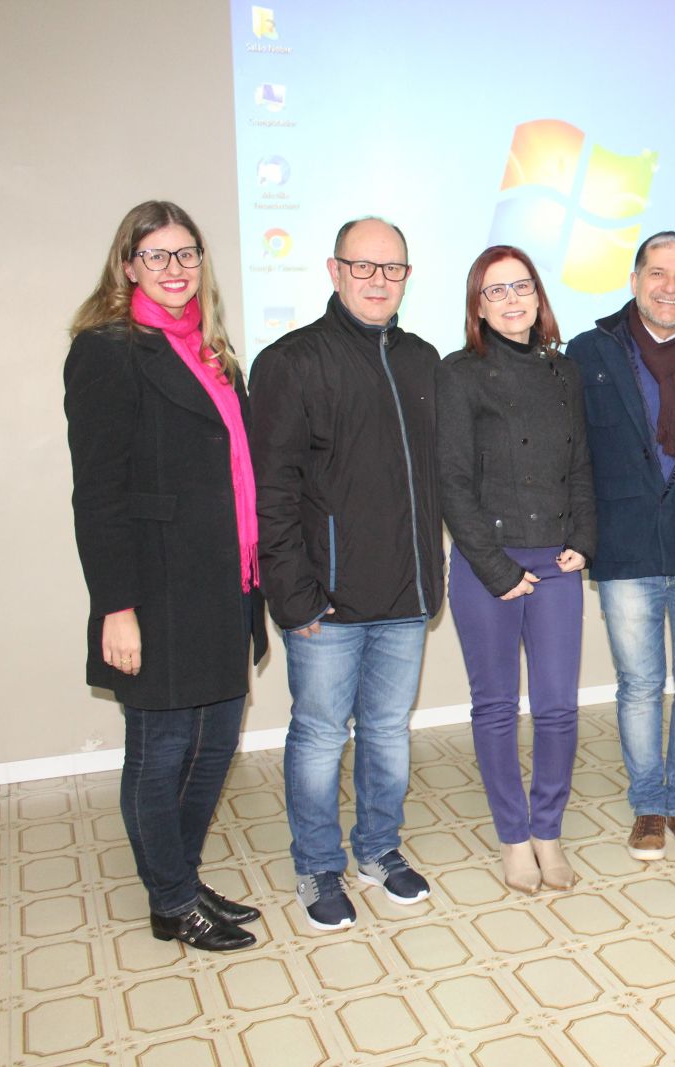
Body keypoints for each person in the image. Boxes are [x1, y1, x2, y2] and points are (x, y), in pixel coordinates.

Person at [64, 200, 267, 952]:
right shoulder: (107, 351)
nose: (175, 268)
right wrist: (116, 606)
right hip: (156, 589)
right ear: (128, 266)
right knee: (160, 753)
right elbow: (98, 494)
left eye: (187, 254)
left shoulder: (214, 352)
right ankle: (173, 901)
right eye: (157, 255)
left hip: (225, 581)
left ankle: (177, 877)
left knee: (215, 745)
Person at [251, 217, 442, 930]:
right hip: (324, 603)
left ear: (406, 278)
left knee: (388, 732)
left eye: (392, 269)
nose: (377, 281)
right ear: (334, 271)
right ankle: (317, 866)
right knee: (320, 736)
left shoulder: (423, 360)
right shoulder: (291, 361)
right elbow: (271, 492)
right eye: (363, 267)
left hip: (405, 596)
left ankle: (378, 850)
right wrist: (293, 597)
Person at [569, 232, 675, 862]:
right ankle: (648, 806)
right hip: (626, 549)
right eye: (658, 274)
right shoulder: (589, 352)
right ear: (635, 280)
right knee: (639, 686)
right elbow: (573, 454)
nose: (670, 287)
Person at [438, 246, 596, 895]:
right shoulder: (459, 374)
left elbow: (581, 464)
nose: (511, 300)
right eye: (495, 290)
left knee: (558, 708)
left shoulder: (565, 371)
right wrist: (497, 568)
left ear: (538, 296)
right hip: (487, 565)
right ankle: (512, 837)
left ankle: (547, 832)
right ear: (478, 305)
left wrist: (583, 538)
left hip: (557, 562)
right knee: (497, 707)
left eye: (521, 287)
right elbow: (451, 482)